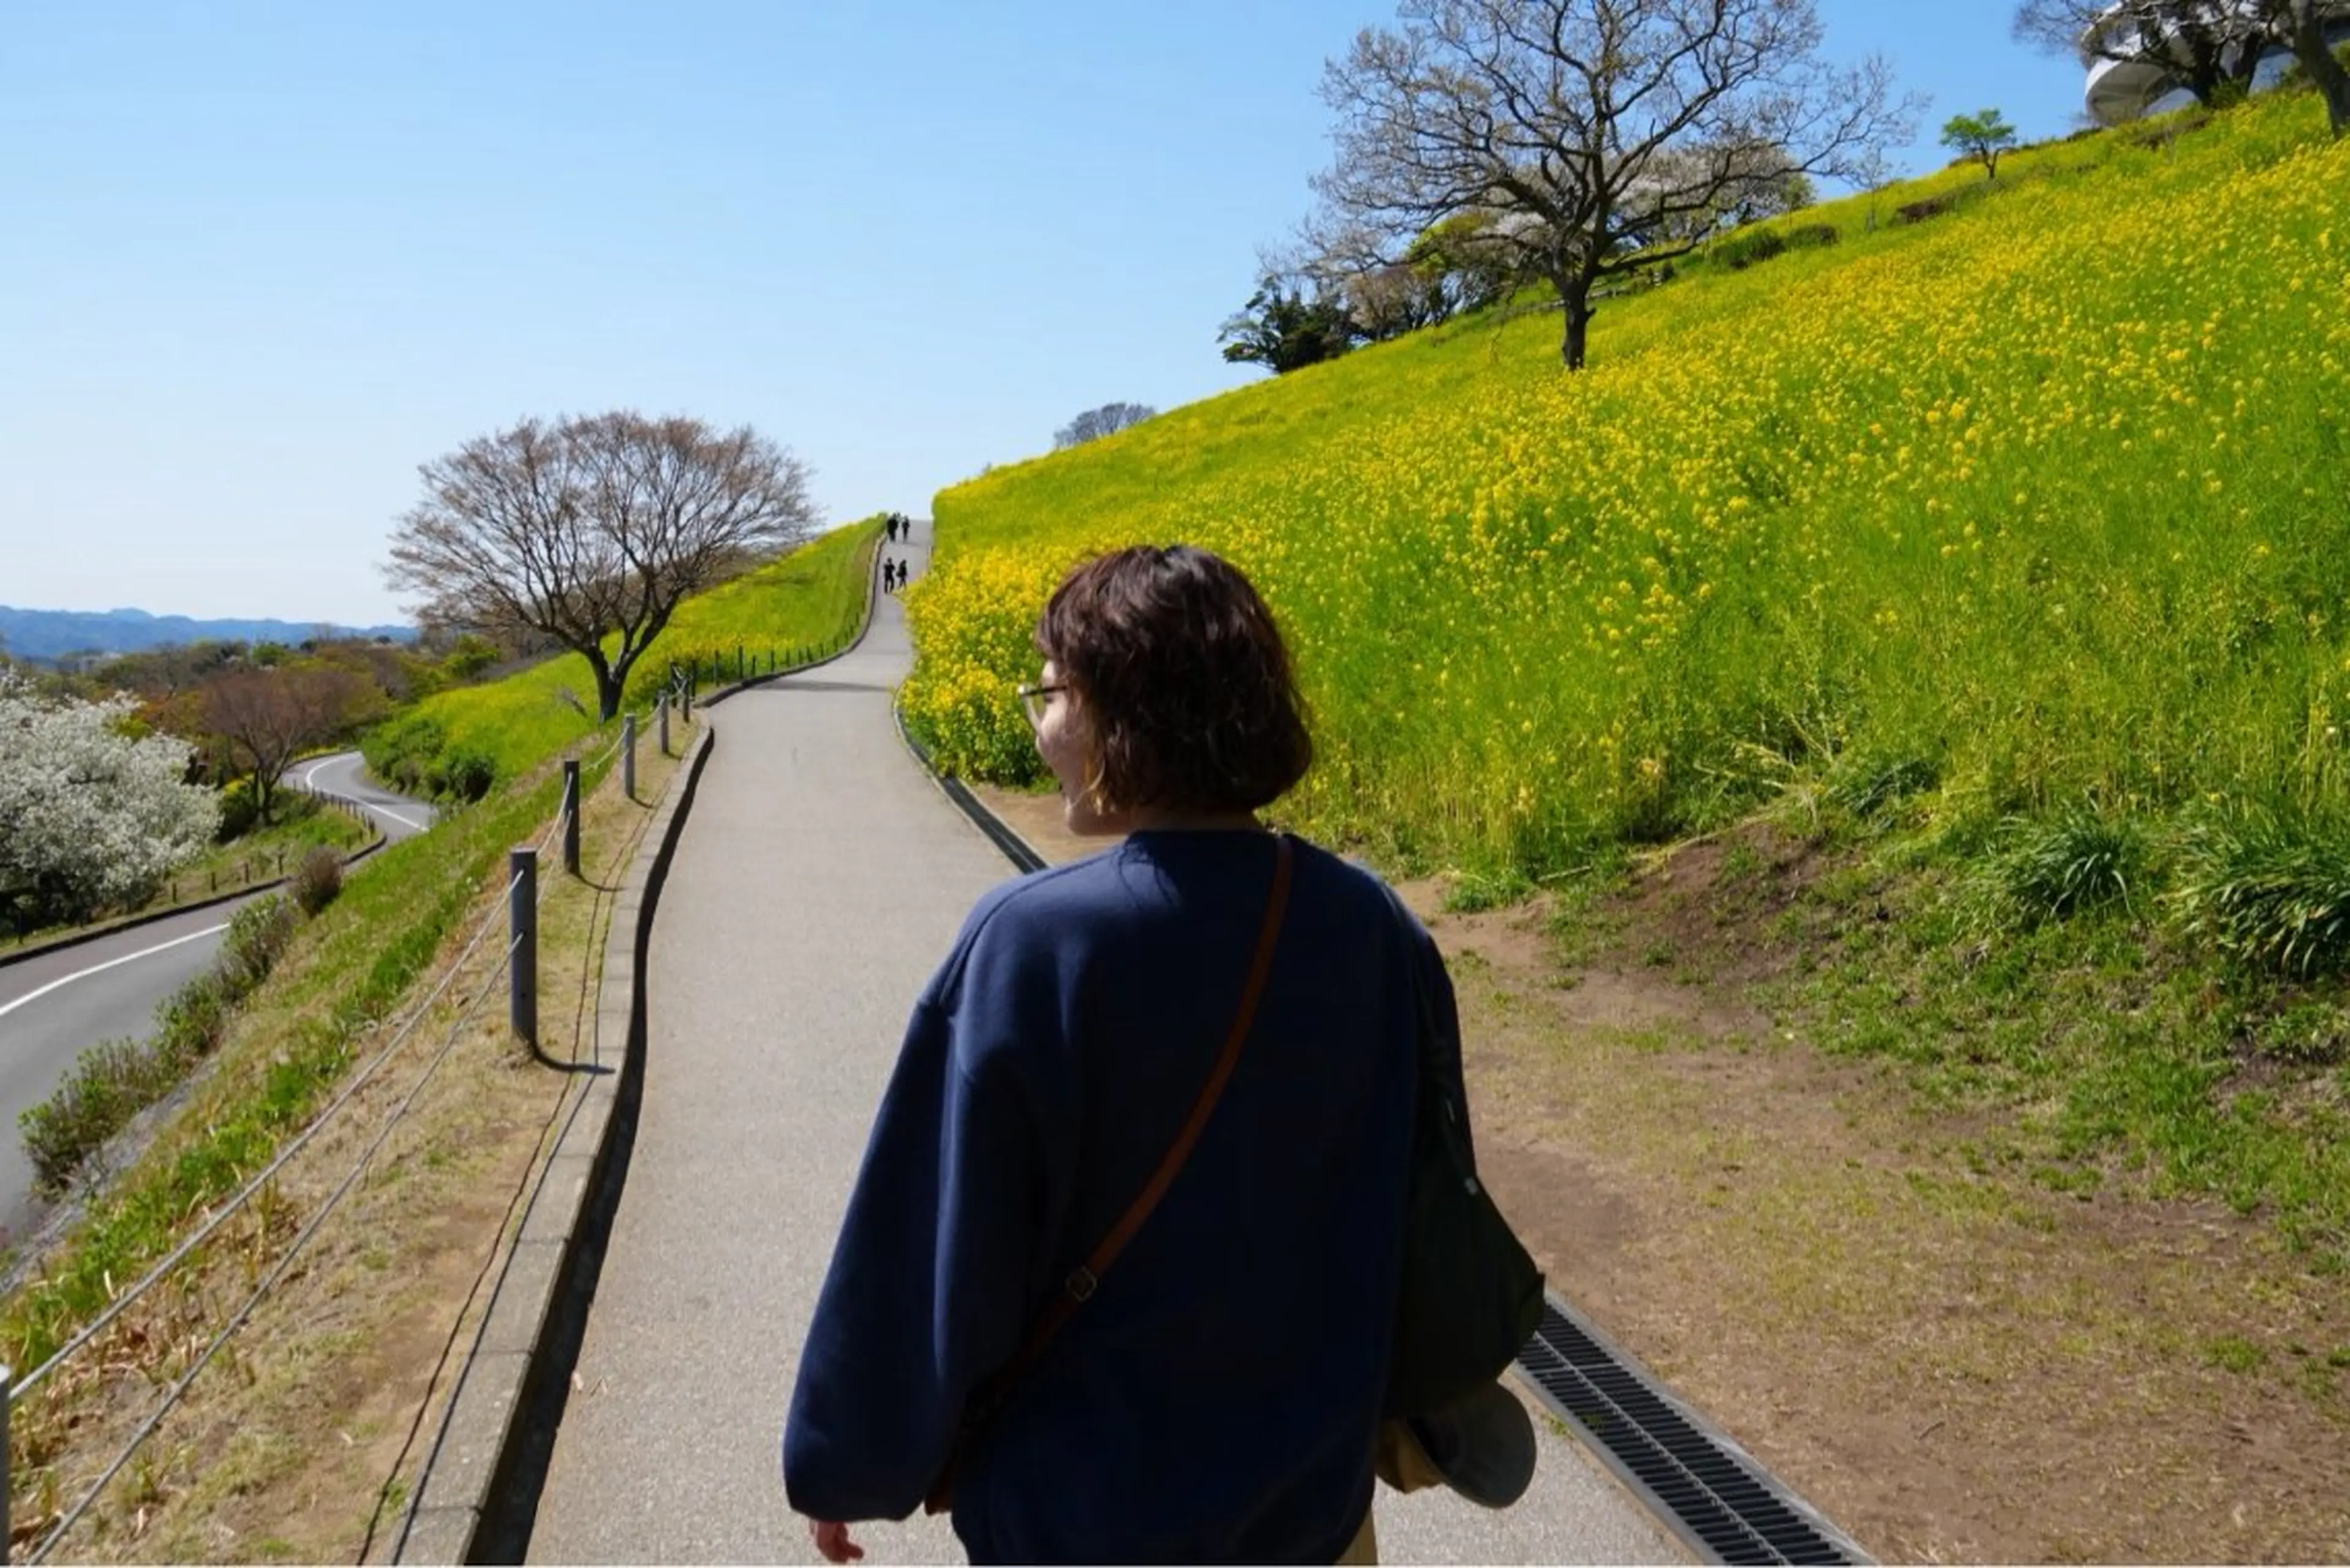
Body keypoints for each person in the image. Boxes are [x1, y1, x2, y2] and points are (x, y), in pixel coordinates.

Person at [783, 544, 1469, 1564]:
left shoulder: (1034, 941)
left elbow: (933, 1246)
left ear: (1124, 710)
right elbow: (1429, 1207)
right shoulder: (1374, 925)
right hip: (1310, 1518)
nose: (1040, 722)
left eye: (1051, 692)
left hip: (1086, 1523)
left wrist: (855, 1457)